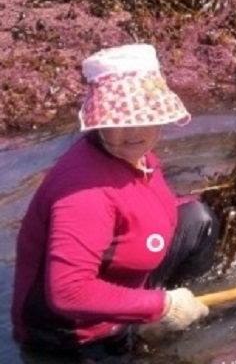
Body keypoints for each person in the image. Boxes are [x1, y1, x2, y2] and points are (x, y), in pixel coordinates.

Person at [11, 43, 219, 360]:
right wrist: (163, 305)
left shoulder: (138, 157)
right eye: (121, 119)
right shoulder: (85, 193)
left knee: (198, 220)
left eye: (144, 116)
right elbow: (68, 293)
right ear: (99, 121)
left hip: (130, 288)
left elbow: (145, 203)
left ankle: (163, 317)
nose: (134, 131)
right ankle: (155, 320)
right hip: (73, 337)